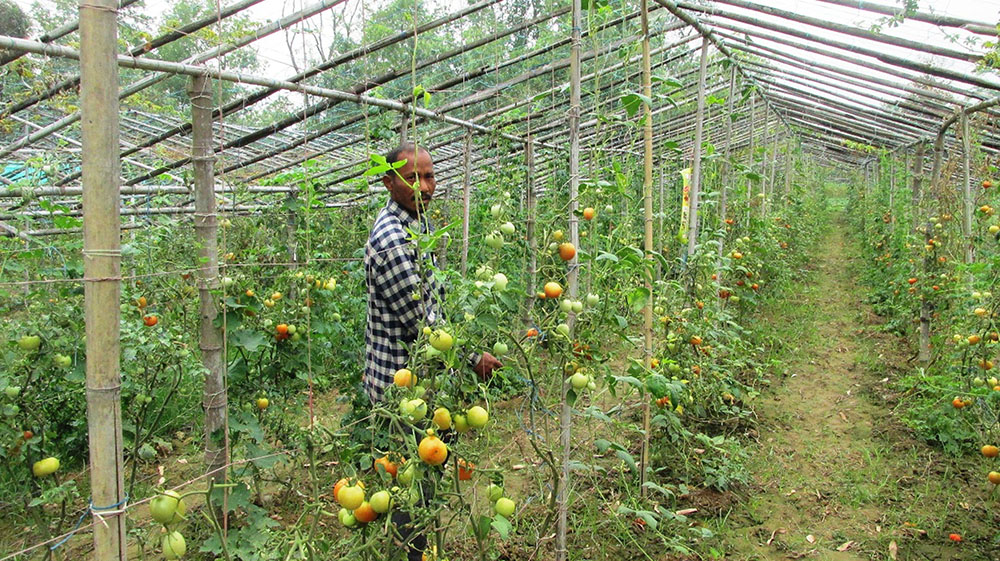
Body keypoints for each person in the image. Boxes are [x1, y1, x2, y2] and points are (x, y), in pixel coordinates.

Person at [363, 142, 501, 560]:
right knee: (408, 490)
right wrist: (474, 358)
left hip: (424, 386)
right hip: (400, 389)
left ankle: (418, 552)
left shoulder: (415, 225)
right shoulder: (392, 240)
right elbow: (424, 325)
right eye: (412, 177)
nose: (425, 186)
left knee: (421, 482)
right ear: (388, 182)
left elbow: (437, 304)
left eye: (430, 176)